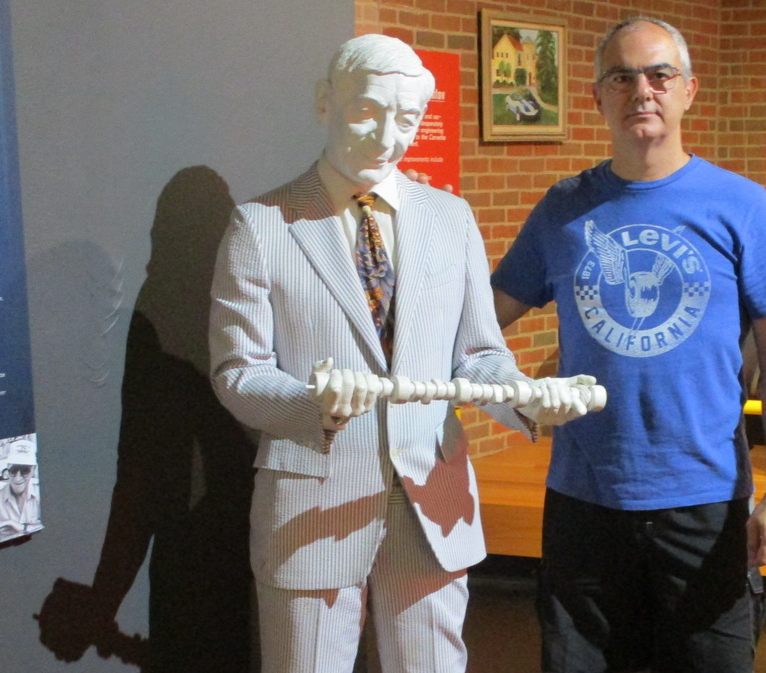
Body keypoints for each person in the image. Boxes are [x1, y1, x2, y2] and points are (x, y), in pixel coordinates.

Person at [209, 33, 594, 673]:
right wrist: (313, 404)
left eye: (407, 119)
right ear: (324, 102)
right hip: (313, 505)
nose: (386, 138)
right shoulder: (263, 225)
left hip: (433, 499)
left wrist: (526, 401)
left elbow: (478, 355)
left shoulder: (450, 218)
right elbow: (237, 374)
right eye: (367, 110)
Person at [491, 17, 766, 673]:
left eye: (660, 74)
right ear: (596, 97)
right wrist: (508, 392)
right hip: (585, 503)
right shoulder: (563, 210)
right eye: (622, 77)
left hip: (706, 502)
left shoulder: (741, 206)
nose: (642, 90)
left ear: (688, 89)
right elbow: (481, 321)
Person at [0, 440, 43, 542]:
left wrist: (23, 528)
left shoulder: (41, 493)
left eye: (25, 471)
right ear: (8, 468)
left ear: (34, 470)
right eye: (13, 470)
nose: (18, 477)